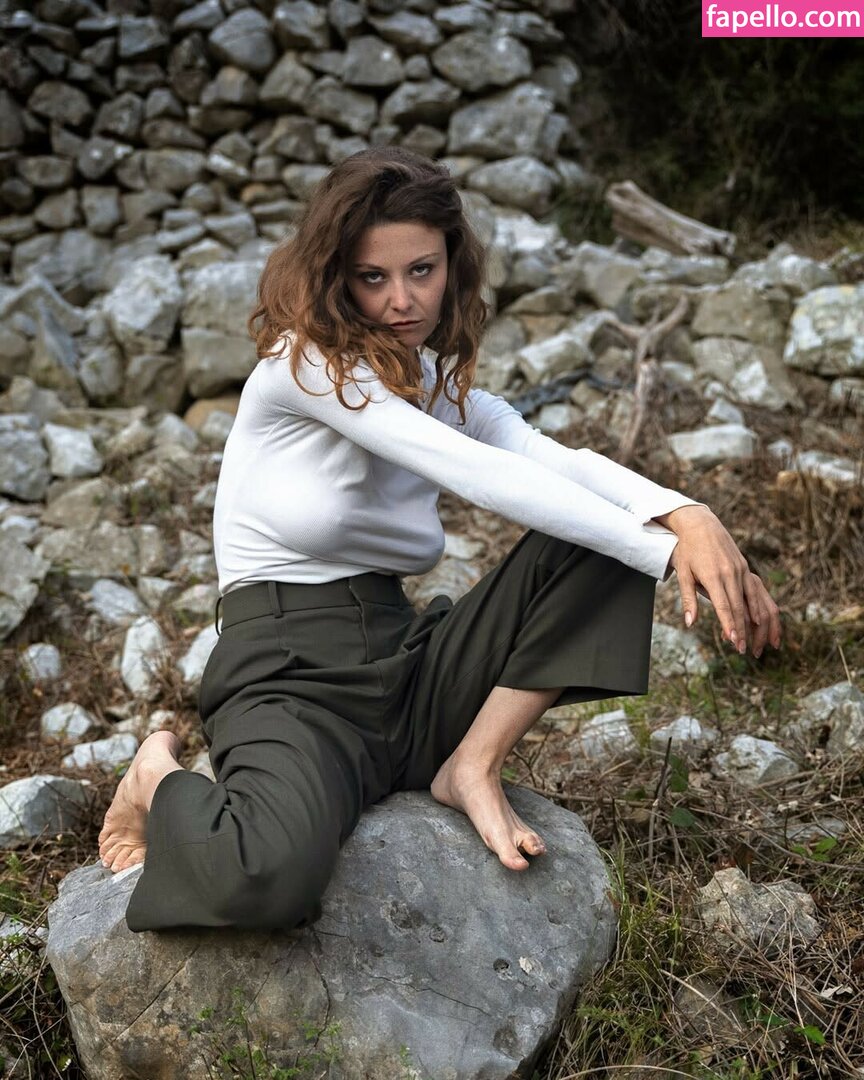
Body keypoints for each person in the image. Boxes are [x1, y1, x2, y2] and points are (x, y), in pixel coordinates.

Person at [98, 146, 782, 932]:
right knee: (266, 877)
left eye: (421, 270)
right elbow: (477, 472)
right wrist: (667, 552)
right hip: (290, 678)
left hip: (406, 668)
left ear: (452, 264)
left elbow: (550, 460)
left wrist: (689, 515)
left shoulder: (433, 385)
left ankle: (472, 765)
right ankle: (154, 777)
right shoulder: (304, 367)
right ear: (334, 276)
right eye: (372, 277)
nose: (402, 300)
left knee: (597, 536)